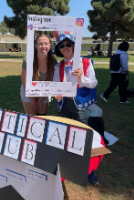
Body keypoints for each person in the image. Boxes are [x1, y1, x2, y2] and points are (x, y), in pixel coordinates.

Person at [53, 33, 99, 185]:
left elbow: (93, 83)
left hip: (81, 104)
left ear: (73, 45)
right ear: (59, 49)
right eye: (61, 45)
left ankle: (90, 170)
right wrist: (56, 95)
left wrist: (81, 79)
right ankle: (64, 165)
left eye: (67, 44)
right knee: (62, 135)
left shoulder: (86, 62)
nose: (65, 47)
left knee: (84, 137)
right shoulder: (58, 66)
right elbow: (55, 86)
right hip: (64, 105)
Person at [21, 34, 57, 116]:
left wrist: (40, 100)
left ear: (50, 45)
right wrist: (33, 100)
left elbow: (50, 82)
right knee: (32, 117)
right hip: (28, 91)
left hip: (44, 91)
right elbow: (24, 81)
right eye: (40, 44)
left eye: (46, 43)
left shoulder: (52, 61)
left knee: (42, 117)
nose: (43, 46)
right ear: (36, 46)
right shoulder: (28, 59)